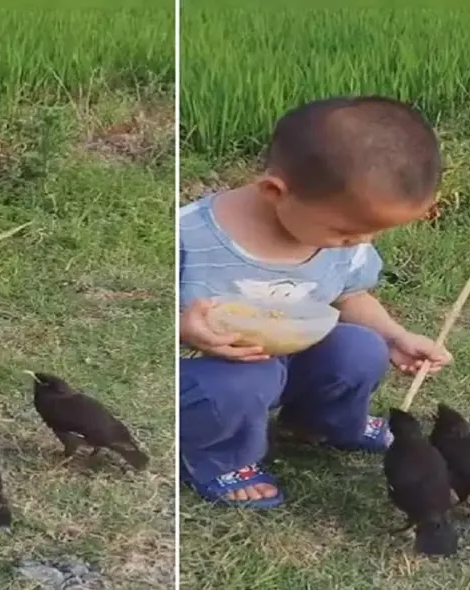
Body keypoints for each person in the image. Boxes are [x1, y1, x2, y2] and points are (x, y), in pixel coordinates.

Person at [179, 96, 453, 508]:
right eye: (346, 232)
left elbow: (350, 294)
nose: (361, 242)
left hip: (289, 360)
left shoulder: (343, 241)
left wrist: (395, 336)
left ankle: (323, 424)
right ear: (275, 191)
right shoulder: (187, 238)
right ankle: (218, 458)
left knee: (362, 347)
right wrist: (182, 328)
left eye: (372, 233)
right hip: (212, 379)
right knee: (247, 379)